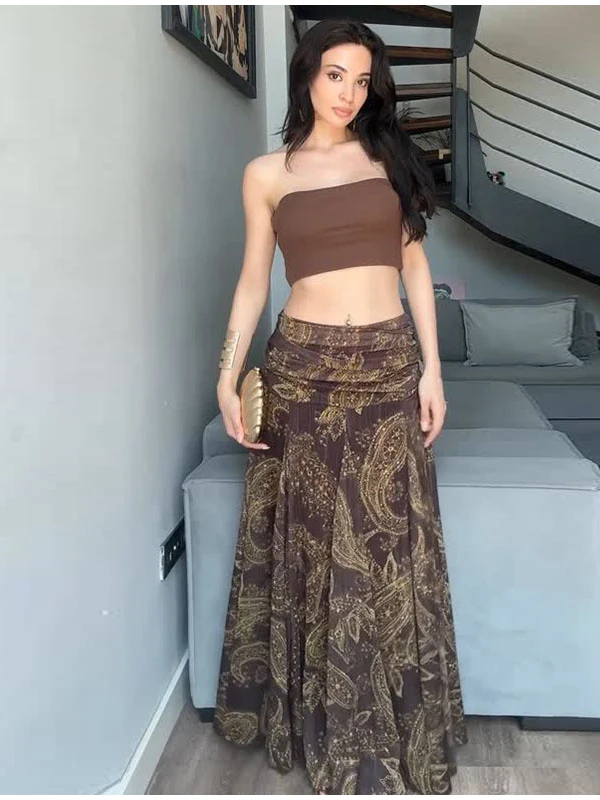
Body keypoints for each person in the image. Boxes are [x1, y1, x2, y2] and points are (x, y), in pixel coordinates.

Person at [213, 17, 467, 795]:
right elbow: (253, 282)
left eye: (361, 81)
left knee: (388, 550)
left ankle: (389, 728)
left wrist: (432, 370)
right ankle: (314, 725)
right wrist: (227, 375)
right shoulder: (266, 173)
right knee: (310, 546)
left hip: (388, 366)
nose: (349, 94)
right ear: (306, 76)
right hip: (301, 371)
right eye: (335, 76)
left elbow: (414, 270)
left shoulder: (391, 160)